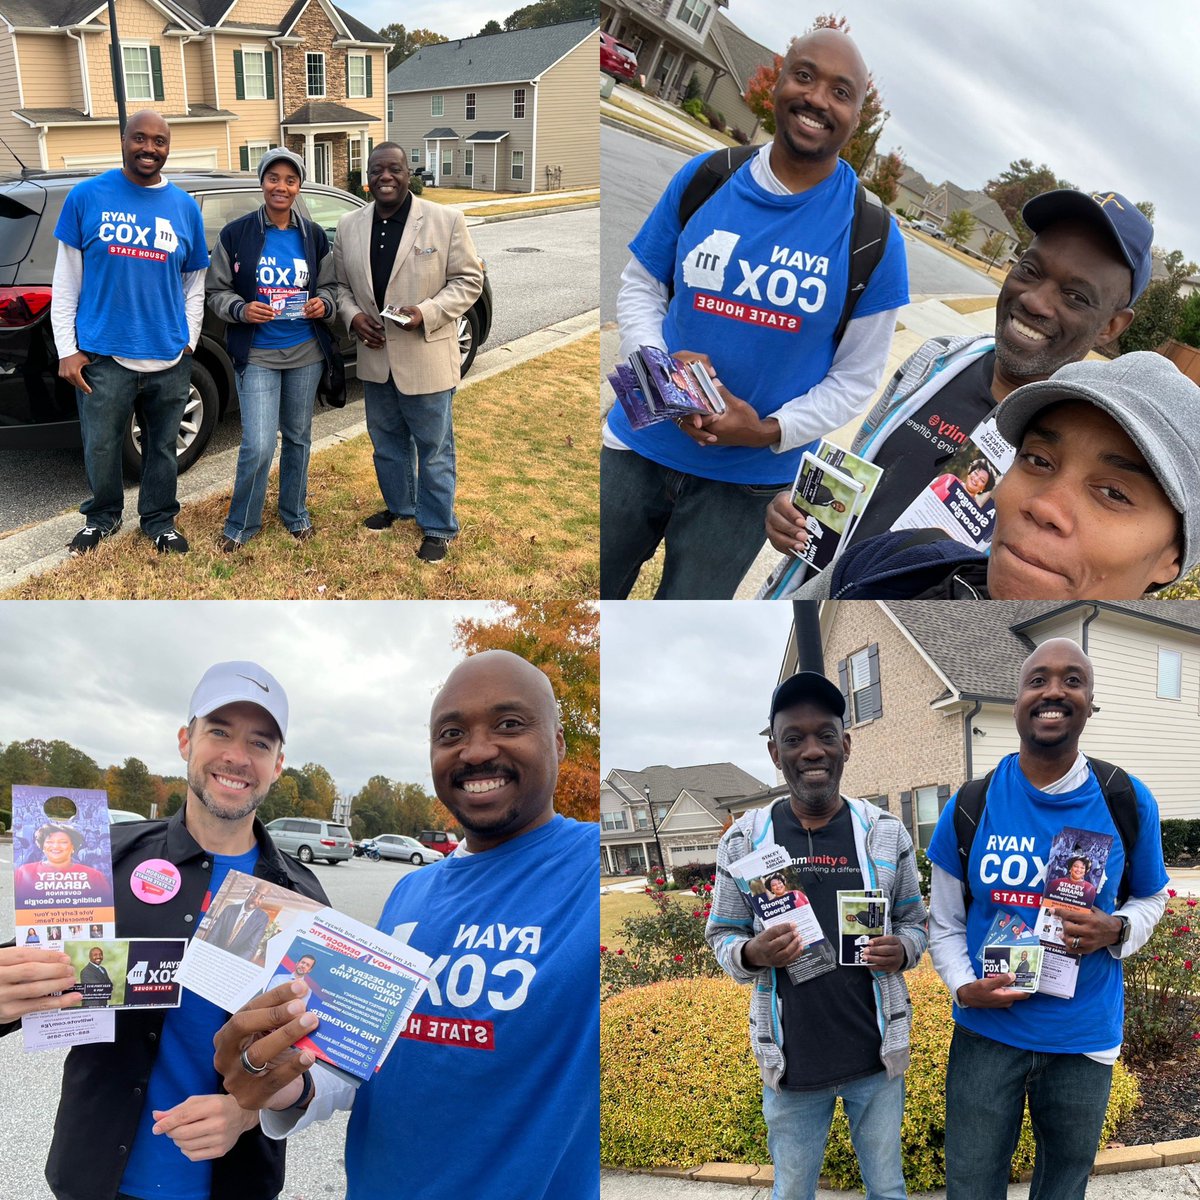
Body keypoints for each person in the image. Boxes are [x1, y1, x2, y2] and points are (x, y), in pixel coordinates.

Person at [211, 649, 599, 1200]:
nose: (478, 750)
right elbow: (357, 1069)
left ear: (557, 743)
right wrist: (284, 1084)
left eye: (510, 724)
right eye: (450, 733)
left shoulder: (588, 864)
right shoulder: (409, 893)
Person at [0, 660, 329, 1200]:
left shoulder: (303, 897)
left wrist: (247, 1113)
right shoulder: (103, 858)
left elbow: (319, 1069)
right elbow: (30, 976)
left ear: (278, 764)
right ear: (185, 740)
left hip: (235, 1183)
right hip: (97, 1180)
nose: (236, 756)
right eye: (219, 731)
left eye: (260, 743)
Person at [600, 27, 909, 600]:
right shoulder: (706, 177)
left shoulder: (874, 237)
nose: (818, 98)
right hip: (638, 443)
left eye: (841, 92)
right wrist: (658, 368)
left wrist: (767, 430)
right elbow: (641, 286)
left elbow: (854, 379)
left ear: (857, 117)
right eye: (806, 75)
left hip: (747, 486)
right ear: (777, 82)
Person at [760, 187, 1152, 595]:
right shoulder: (934, 361)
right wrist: (798, 517)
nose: (1035, 301)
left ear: (1112, 326)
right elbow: (852, 486)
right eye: (1030, 271)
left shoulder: (1080, 448)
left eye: (1075, 296)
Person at [926, 639, 1169, 1200]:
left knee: (1063, 1186)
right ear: (1016, 701)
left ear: (1090, 703)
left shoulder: (1126, 799)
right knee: (970, 1183)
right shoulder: (970, 804)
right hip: (988, 1034)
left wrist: (1117, 928)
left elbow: (1151, 898)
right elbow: (945, 923)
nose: (1054, 691)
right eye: (1038, 680)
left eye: (1072, 680)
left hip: (1082, 1038)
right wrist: (964, 987)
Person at [706, 671, 928, 1200]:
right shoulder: (743, 841)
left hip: (875, 1057)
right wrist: (753, 953)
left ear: (845, 745)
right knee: (792, 1192)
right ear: (773, 751)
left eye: (825, 735)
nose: (812, 750)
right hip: (793, 1063)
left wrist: (904, 950)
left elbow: (916, 922)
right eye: (794, 738)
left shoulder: (885, 832)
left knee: (888, 1189)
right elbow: (723, 935)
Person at [786, 351, 1200, 599]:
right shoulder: (891, 561)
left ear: (1173, 559)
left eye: (1113, 492)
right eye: (1038, 460)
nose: (1043, 506)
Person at [50, 109, 209, 557]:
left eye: (159, 141)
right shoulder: (86, 197)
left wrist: (188, 341)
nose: (149, 148)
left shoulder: (183, 207)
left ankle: (159, 520)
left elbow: (194, 284)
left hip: (169, 357)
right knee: (101, 447)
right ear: (123, 139)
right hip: (103, 356)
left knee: (162, 447)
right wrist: (68, 349)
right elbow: (67, 282)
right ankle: (102, 518)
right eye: (140, 138)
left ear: (168, 147)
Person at [334, 143, 484, 563]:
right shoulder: (349, 225)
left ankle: (438, 525)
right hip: (376, 358)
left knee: (434, 447)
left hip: (426, 357)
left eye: (394, 169)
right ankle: (401, 507)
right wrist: (351, 317)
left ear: (407, 173)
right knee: (386, 443)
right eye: (377, 169)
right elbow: (340, 285)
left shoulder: (445, 219)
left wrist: (426, 312)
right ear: (368, 175)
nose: (386, 177)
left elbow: (468, 281)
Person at [206, 148, 338, 549]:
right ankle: (242, 524)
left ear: (299, 187)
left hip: (305, 353)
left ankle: (295, 513)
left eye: (290, 180)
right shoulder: (236, 234)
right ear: (262, 182)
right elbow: (216, 292)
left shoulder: (313, 236)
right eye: (273, 178)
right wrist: (242, 309)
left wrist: (324, 304)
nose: (281, 186)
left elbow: (331, 288)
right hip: (258, 354)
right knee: (259, 443)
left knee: (298, 436)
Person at [14, 822, 113, 907]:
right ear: (42, 846)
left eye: (63, 842)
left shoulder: (95, 876)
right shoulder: (23, 873)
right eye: (50, 842)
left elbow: (104, 908)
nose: (56, 846)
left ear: (73, 847)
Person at [204, 881, 271, 959]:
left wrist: (236, 963)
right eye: (254, 893)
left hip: (234, 961)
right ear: (248, 893)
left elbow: (251, 948)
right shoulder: (229, 909)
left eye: (262, 897)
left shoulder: (263, 919)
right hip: (214, 954)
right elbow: (213, 935)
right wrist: (206, 952)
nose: (256, 900)